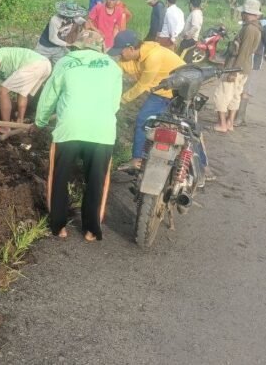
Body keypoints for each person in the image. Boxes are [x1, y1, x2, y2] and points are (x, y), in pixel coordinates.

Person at [35, 30, 122, 241]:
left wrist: (41, 121)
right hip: (101, 130)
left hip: (69, 128)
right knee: (96, 180)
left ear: (77, 46)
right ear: (101, 47)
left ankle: (59, 227)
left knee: (59, 176)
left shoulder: (65, 62)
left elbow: (49, 95)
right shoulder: (113, 67)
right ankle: (91, 230)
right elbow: (115, 104)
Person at [109, 31, 185, 171]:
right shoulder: (132, 57)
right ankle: (140, 159)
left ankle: (137, 160)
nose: (120, 55)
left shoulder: (153, 56)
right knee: (150, 123)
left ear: (131, 48)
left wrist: (120, 101)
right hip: (160, 90)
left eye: (121, 52)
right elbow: (114, 71)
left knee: (146, 122)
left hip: (177, 91)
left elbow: (142, 86)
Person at [213, 0, 263, 133]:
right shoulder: (255, 28)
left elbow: (243, 52)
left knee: (222, 95)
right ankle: (229, 123)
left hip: (236, 67)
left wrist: (233, 71)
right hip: (244, 68)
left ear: (249, 14)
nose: (241, 15)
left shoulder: (250, 29)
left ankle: (222, 124)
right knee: (235, 96)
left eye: (243, 13)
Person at [0, 47, 52, 128]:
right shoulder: (0, 73)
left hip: (37, 64)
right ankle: (20, 121)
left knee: (3, 90)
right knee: (21, 92)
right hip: (45, 66)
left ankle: (6, 127)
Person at [236, 15, 266, 126]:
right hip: (252, 59)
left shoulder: (260, 23)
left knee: (244, 87)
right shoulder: (261, 23)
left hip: (251, 59)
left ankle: (238, 117)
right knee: (245, 88)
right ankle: (239, 117)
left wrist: (261, 52)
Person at [34, 0, 88, 66]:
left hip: (59, 47)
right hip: (45, 47)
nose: (73, 16)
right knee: (37, 65)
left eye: (74, 14)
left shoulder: (74, 17)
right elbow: (53, 38)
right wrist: (68, 44)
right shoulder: (55, 20)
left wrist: (85, 28)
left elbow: (82, 21)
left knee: (61, 66)